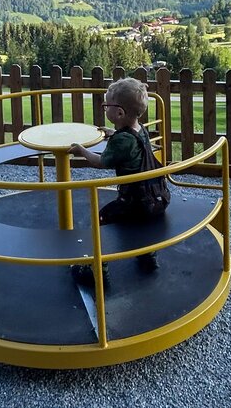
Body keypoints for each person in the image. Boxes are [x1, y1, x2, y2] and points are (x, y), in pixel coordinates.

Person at [69, 77, 169, 284]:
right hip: (157, 196)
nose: (104, 108)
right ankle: (147, 256)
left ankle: (98, 271)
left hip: (135, 201)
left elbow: (101, 162)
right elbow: (128, 139)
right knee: (141, 225)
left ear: (119, 113)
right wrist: (113, 133)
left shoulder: (121, 141)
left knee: (102, 220)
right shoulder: (140, 130)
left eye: (106, 105)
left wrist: (82, 151)